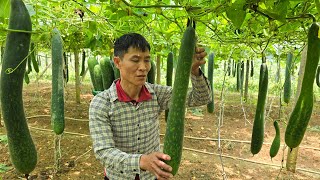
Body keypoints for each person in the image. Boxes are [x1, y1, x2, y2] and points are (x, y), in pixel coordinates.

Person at [89, 33, 212, 180]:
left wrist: (194, 71)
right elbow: (104, 152)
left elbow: (202, 98)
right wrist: (141, 161)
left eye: (147, 60)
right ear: (117, 62)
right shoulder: (101, 103)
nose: (143, 67)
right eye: (135, 60)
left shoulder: (157, 93)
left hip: (151, 177)